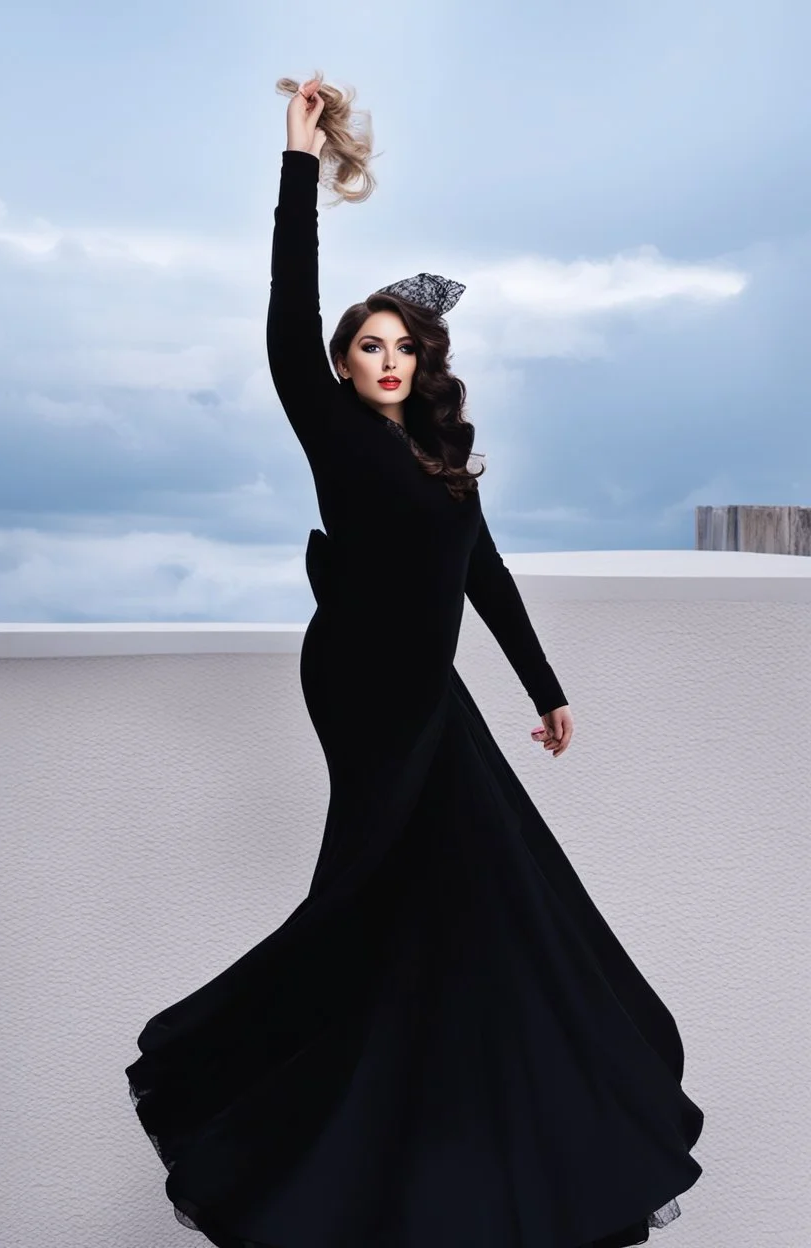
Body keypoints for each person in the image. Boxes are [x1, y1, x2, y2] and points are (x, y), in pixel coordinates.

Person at [125, 75, 704, 1248]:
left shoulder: (443, 460)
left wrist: (545, 688)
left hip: (432, 693)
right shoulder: (332, 427)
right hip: (361, 685)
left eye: (401, 347)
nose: (384, 361)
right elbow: (290, 310)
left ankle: (445, 1141)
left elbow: (482, 578)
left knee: (486, 888)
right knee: (383, 887)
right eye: (366, 346)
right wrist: (297, 165)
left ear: (421, 362)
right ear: (341, 365)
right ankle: (280, 1117)